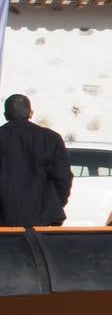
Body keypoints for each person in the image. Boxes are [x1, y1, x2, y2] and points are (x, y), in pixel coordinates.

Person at [0, 94, 72, 227]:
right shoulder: (51, 138)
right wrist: (53, 206)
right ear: (31, 113)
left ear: (5, 115)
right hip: (42, 218)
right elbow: (63, 178)